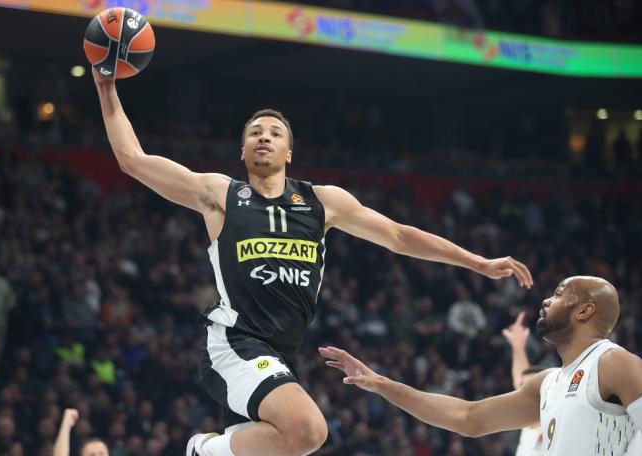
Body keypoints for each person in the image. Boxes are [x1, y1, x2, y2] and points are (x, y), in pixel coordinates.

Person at [92, 67, 533, 456]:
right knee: (308, 430)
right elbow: (133, 160)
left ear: (289, 153)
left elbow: (399, 236)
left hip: (283, 353)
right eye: (254, 133)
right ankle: (201, 449)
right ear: (242, 152)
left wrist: (477, 262)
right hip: (235, 342)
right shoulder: (221, 195)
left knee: (287, 443)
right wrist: (106, 87)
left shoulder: (323, 202)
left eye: (274, 133)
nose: (264, 136)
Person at [320, 276, 642, 455]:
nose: (546, 300)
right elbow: (468, 418)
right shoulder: (548, 383)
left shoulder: (613, 362)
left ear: (585, 311)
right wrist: (383, 384)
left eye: (559, 294)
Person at [502, 311, 548, 456]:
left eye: (529, 390)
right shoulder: (529, 421)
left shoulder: (558, 429)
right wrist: (518, 347)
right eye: (522, 388)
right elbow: (520, 377)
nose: (522, 394)